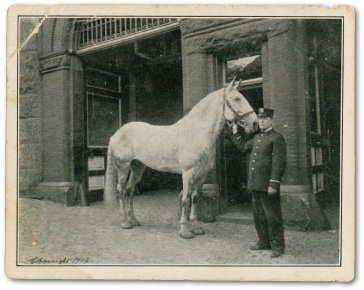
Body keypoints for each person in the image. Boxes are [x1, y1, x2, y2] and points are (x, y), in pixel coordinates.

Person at [227, 108, 287, 258]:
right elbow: (242, 147)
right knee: (258, 215)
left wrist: (273, 184)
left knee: (272, 216)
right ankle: (263, 241)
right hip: (255, 183)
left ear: (272, 120)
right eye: (260, 119)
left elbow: (278, 163)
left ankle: (278, 246)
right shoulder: (256, 138)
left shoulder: (276, 138)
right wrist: (235, 131)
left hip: (267, 185)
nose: (261, 121)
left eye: (265, 119)